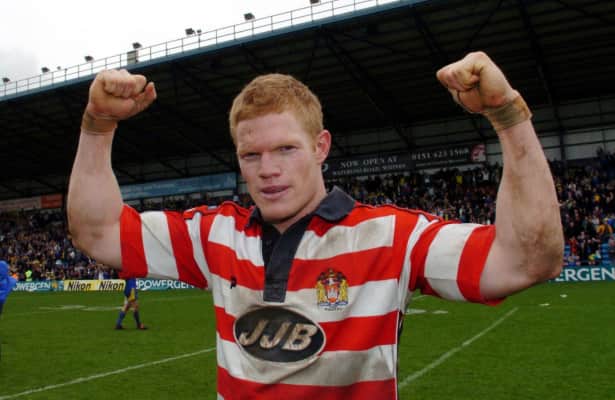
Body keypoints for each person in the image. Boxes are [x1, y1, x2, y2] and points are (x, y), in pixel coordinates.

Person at [67, 52, 564, 399]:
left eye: (286, 149)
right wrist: (98, 124)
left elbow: (527, 260)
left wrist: (507, 115)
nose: (268, 169)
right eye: (251, 155)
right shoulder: (214, 234)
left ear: (321, 147)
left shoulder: (390, 236)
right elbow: (97, 232)